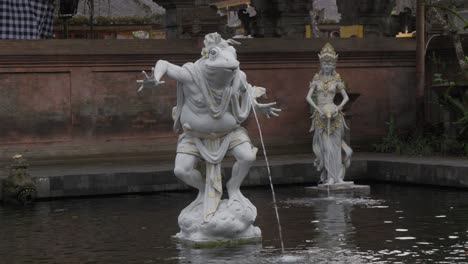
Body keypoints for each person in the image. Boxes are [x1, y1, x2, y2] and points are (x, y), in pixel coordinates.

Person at [137, 32, 280, 222]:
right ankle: (205, 192)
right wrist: (156, 77)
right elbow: (164, 63)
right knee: (181, 170)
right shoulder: (191, 74)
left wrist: (258, 107)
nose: (229, 65)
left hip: (228, 132)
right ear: (206, 57)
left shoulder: (237, 76)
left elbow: (246, 97)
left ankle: (233, 187)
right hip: (195, 135)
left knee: (247, 157)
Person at [306, 43, 353, 185]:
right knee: (326, 148)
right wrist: (317, 108)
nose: (327, 66)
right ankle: (330, 177)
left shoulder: (337, 79)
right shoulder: (316, 79)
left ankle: (337, 178)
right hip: (320, 116)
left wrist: (339, 107)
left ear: (333, 65)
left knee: (336, 147)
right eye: (324, 64)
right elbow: (308, 97)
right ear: (321, 64)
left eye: (330, 64)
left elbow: (346, 97)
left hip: (334, 116)